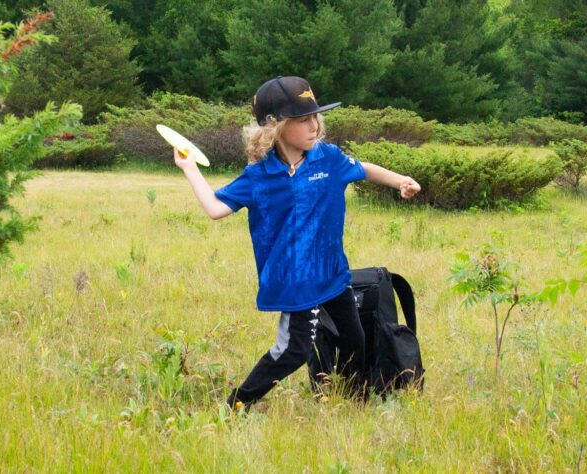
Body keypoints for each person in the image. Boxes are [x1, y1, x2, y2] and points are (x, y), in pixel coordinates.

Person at [173, 76, 421, 410]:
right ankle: (237, 405)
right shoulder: (259, 176)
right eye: (303, 119)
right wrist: (189, 167)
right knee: (293, 350)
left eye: (315, 116)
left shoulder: (328, 159)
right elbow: (216, 208)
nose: (314, 125)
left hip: (333, 274)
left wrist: (400, 181)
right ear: (274, 127)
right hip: (294, 282)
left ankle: (356, 401)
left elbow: (364, 168)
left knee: (355, 339)